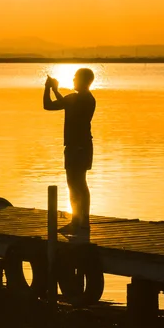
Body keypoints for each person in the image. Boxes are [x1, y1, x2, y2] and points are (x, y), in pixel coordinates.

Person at [43, 68, 96, 233]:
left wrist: (47, 88)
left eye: (75, 78)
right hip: (82, 146)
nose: (73, 80)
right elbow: (67, 105)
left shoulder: (77, 99)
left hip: (77, 147)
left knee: (76, 184)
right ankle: (80, 221)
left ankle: (79, 222)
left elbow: (48, 105)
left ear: (83, 80)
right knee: (77, 183)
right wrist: (55, 90)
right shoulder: (87, 98)